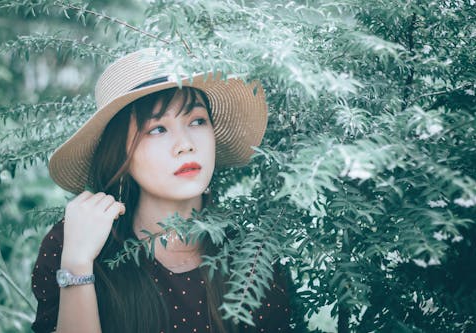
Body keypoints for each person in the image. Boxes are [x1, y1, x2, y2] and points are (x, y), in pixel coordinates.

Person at [31, 48, 292, 333]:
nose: (186, 144)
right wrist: (78, 264)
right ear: (120, 154)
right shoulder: (75, 239)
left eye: (197, 121)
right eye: (157, 129)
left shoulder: (253, 253)